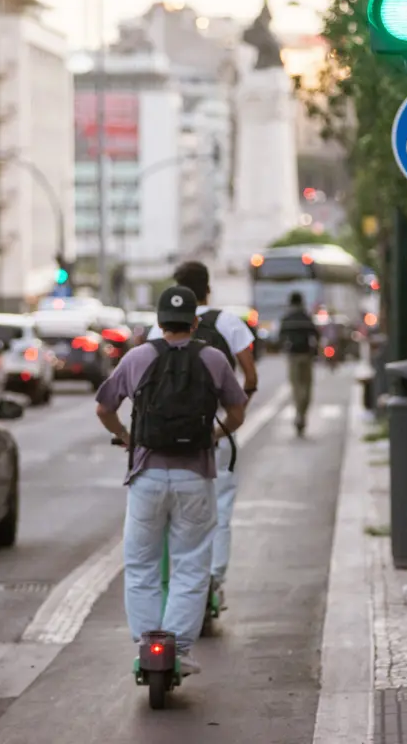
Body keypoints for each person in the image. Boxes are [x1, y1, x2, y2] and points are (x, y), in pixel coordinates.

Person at [96, 285, 248, 677]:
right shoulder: (213, 358)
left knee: (142, 563)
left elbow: (104, 406)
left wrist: (127, 437)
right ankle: (177, 648)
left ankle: (149, 643)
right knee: (192, 564)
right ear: (195, 322)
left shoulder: (138, 357)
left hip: (147, 475)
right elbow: (237, 409)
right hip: (194, 476)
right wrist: (215, 436)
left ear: (159, 323)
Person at [147, 261, 258, 609]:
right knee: (220, 508)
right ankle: (213, 580)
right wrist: (228, 417)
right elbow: (251, 378)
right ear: (208, 288)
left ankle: (176, 583)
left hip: (165, 440)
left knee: (169, 513)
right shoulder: (227, 322)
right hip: (216, 432)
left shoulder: (158, 329)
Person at [278, 291, 318, 436]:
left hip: (293, 356)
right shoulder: (306, 317)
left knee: (296, 387)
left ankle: (299, 413)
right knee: (307, 386)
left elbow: (281, 337)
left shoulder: (287, 318)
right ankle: (302, 413)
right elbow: (315, 335)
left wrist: (286, 347)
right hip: (306, 355)